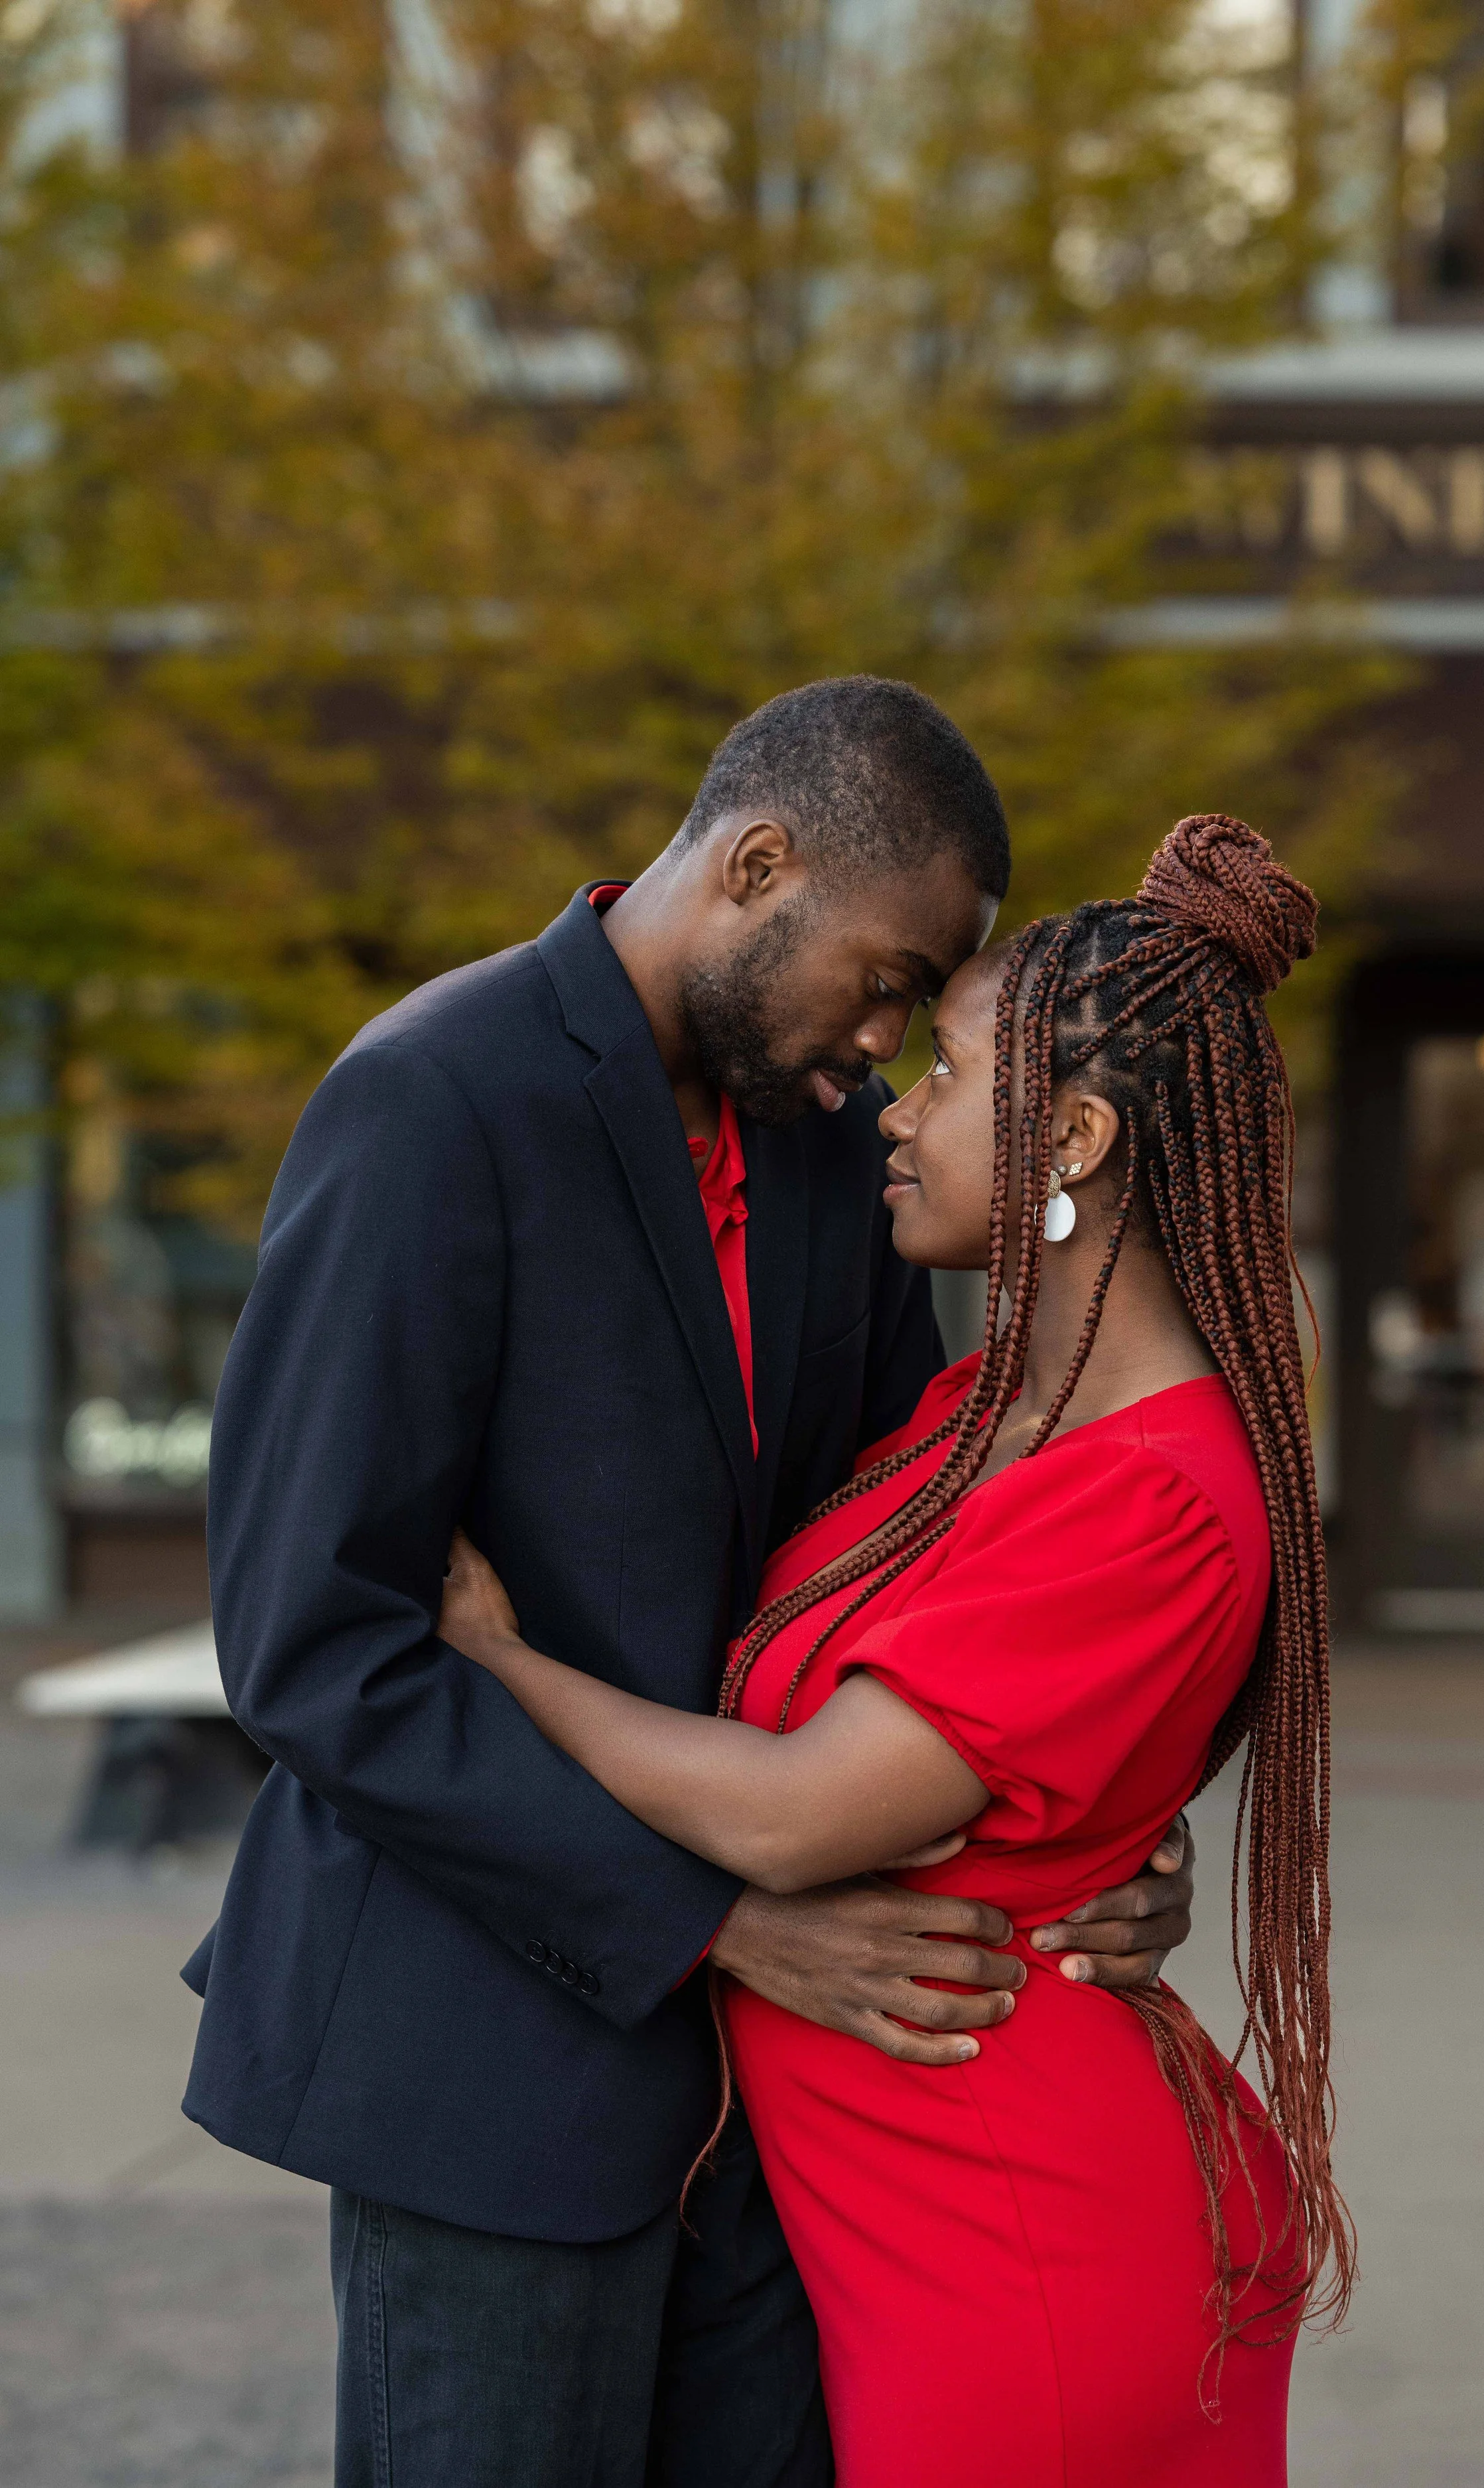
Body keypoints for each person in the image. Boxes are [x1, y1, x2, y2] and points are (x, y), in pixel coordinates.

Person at [179, 677, 1199, 2488]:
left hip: (790, 2134)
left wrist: (1095, 1830)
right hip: (490, 2075)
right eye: (882, 979)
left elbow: (918, 1561)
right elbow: (315, 1648)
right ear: (755, 864)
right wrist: (712, 1922)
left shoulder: (821, 1139)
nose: (881, 1043)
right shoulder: (433, 1100)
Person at [436, 812, 1352, 2488]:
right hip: (896, 2220)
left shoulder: (1151, 1490)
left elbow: (795, 1815)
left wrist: (499, 1658)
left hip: (1017, 2244)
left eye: (947, 1072)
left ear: (1071, 1137)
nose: (897, 1110)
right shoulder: (970, 1413)